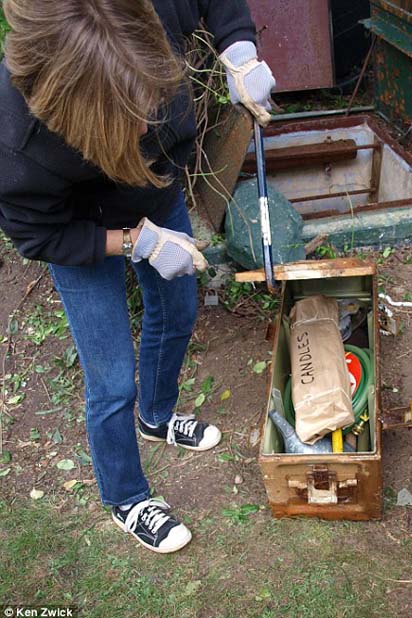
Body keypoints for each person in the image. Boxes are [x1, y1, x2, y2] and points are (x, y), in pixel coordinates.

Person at [0, 0, 275, 554]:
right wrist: (135, 242)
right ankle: (126, 495)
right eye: (136, 110)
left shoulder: (131, 13)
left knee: (178, 311)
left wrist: (239, 51)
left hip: (153, 186)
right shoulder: (18, 144)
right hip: (84, 228)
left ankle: (157, 416)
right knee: (111, 380)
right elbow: (40, 237)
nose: (154, 111)